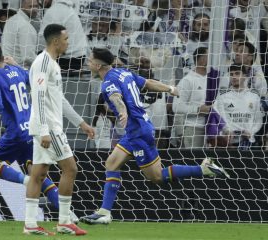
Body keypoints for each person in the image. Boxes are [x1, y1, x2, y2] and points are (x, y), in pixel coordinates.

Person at [80, 48, 229, 225]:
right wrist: (170, 88)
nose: (88, 63)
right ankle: (104, 212)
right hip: (138, 129)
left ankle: (203, 169)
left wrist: (122, 112)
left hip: (138, 132)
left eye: (90, 61)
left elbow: (116, 97)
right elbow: (148, 83)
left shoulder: (107, 83)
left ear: (98, 65)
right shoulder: (123, 73)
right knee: (111, 163)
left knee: (156, 177)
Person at [0, 43, 84, 230]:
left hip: (14, 134)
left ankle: (25, 181)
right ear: (4, 56)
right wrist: (17, 64)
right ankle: (67, 215)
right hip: (32, 130)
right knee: (40, 174)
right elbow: (35, 79)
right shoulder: (16, 71)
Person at [24, 24, 95, 236]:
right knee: (70, 168)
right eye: (66, 39)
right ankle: (64, 221)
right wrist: (45, 130)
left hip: (45, 125)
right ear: (55, 41)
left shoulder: (53, 64)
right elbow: (38, 96)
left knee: (38, 173)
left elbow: (59, 99)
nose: (68, 42)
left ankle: (29, 224)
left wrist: (80, 122)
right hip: (48, 127)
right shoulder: (43, 62)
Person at [208, 65, 263, 149]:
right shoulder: (222, 95)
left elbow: (259, 120)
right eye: (231, 74)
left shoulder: (254, 95)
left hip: (247, 141)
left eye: (237, 74)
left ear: (244, 76)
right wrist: (226, 129)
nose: (234, 77)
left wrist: (251, 131)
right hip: (227, 142)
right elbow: (217, 116)